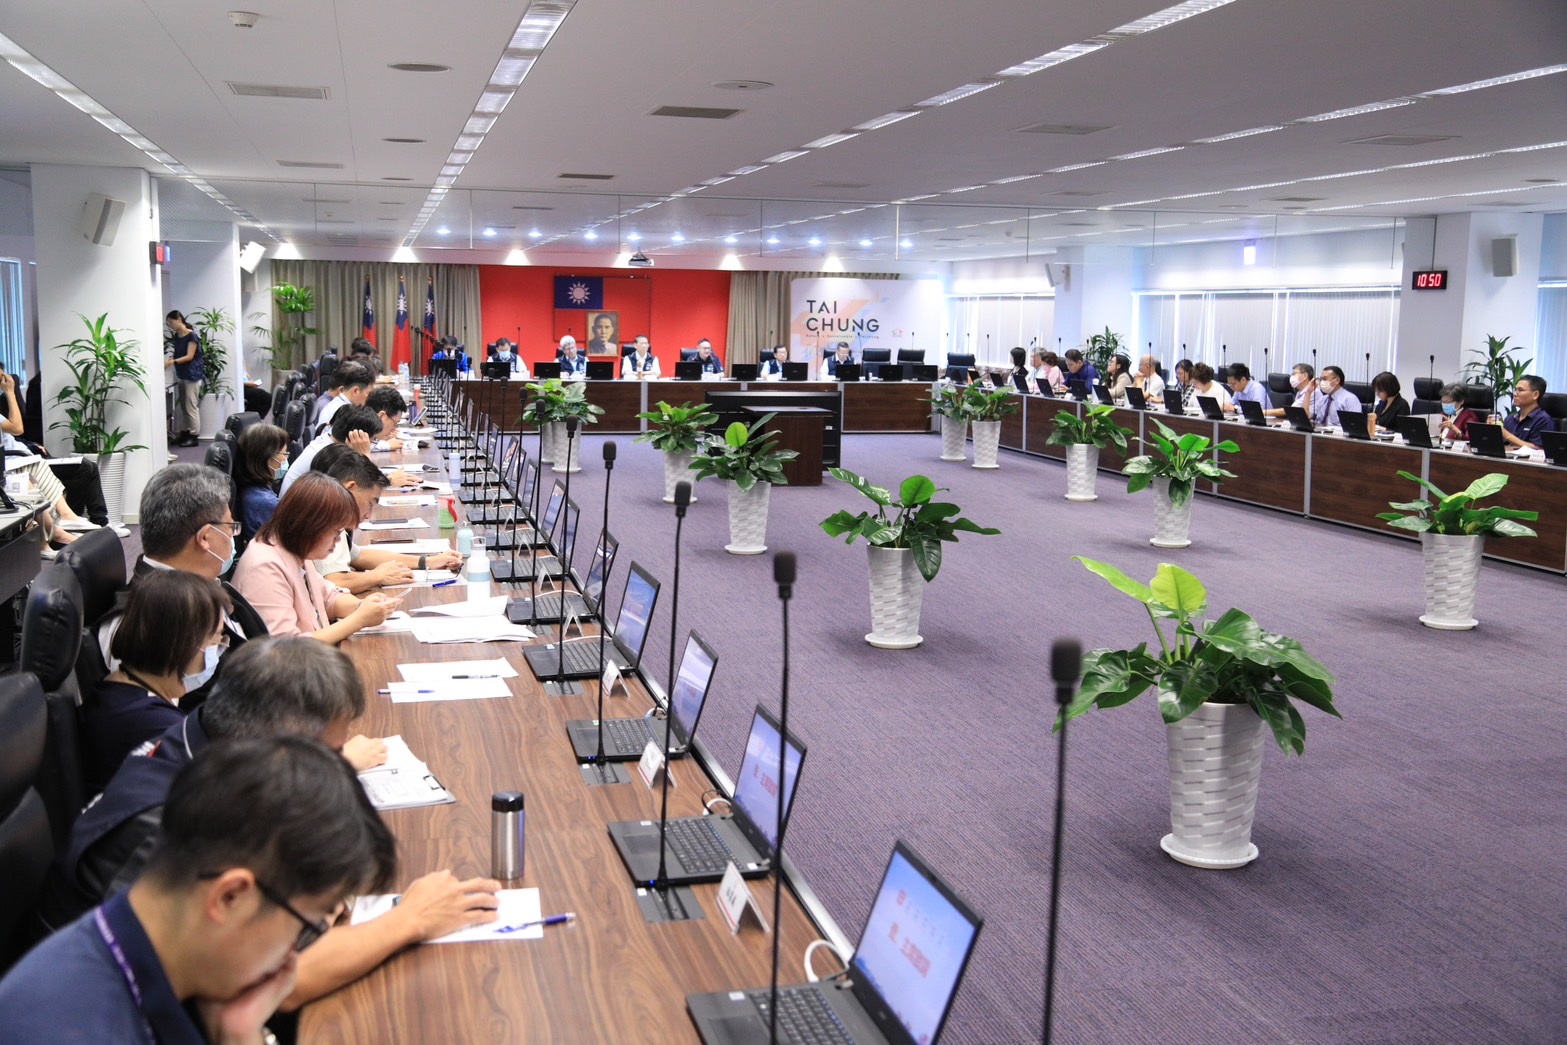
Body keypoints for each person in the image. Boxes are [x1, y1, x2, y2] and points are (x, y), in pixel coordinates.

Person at [43, 637, 501, 1012]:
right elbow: (274, 983)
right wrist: (412, 919)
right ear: (280, 743)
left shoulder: (206, 741)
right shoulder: (171, 825)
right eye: (328, 755)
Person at [3, 734, 398, 1044]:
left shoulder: (155, 957)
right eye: (307, 925)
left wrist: (240, 1035)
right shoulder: (72, 1029)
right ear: (230, 897)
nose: (295, 954)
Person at [97, 465, 269, 703]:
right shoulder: (145, 621)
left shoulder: (204, 584)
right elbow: (159, 718)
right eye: (230, 527)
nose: (233, 535)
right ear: (205, 537)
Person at [81, 570, 228, 795]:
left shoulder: (117, 689)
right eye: (216, 639)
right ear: (179, 645)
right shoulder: (157, 725)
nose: (218, 650)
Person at [232, 472, 401, 642]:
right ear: (312, 525)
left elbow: (326, 598)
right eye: (336, 533)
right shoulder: (264, 567)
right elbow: (286, 647)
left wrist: (363, 606)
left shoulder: (297, 549)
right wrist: (359, 619)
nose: (337, 542)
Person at [312, 448, 462, 593]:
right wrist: (377, 576)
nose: (369, 515)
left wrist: (427, 562)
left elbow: (358, 556)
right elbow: (334, 582)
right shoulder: (323, 519)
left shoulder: (334, 517)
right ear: (351, 487)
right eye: (370, 504)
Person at [284, 405, 379, 496]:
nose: (371, 445)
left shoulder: (329, 441)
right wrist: (364, 455)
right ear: (357, 436)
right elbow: (366, 489)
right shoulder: (330, 455)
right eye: (371, 441)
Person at [236, 422, 290, 540]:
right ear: (267, 457)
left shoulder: (249, 489)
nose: (286, 458)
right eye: (285, 453)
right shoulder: (267, 502)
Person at [167, 310, 202, 448]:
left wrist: (172, 362)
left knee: (191, 406)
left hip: (192, 375)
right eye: (168, 323)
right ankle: (186, 432)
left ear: (179, 320)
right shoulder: (178, 336)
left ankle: (194, 436)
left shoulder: (192, 335)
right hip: (182, 374)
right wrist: (171, 359)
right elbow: (177, 354)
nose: (170, 325)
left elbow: (189, 356)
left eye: (171, 322)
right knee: (184, 406)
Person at [313, 361, 373, 437]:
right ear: (355, 391)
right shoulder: (342, 410)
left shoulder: (338, 403)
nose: (368, 398)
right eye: (368, 393)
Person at [1500, 375, 1554, 450]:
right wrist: (1493, 429)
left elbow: (1539, 449)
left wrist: (1507, 435)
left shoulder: (1543, 420)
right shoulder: (1510, 419)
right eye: (1515, 390)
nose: (1515, 394)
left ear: (1535, 395)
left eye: (1520, 390)